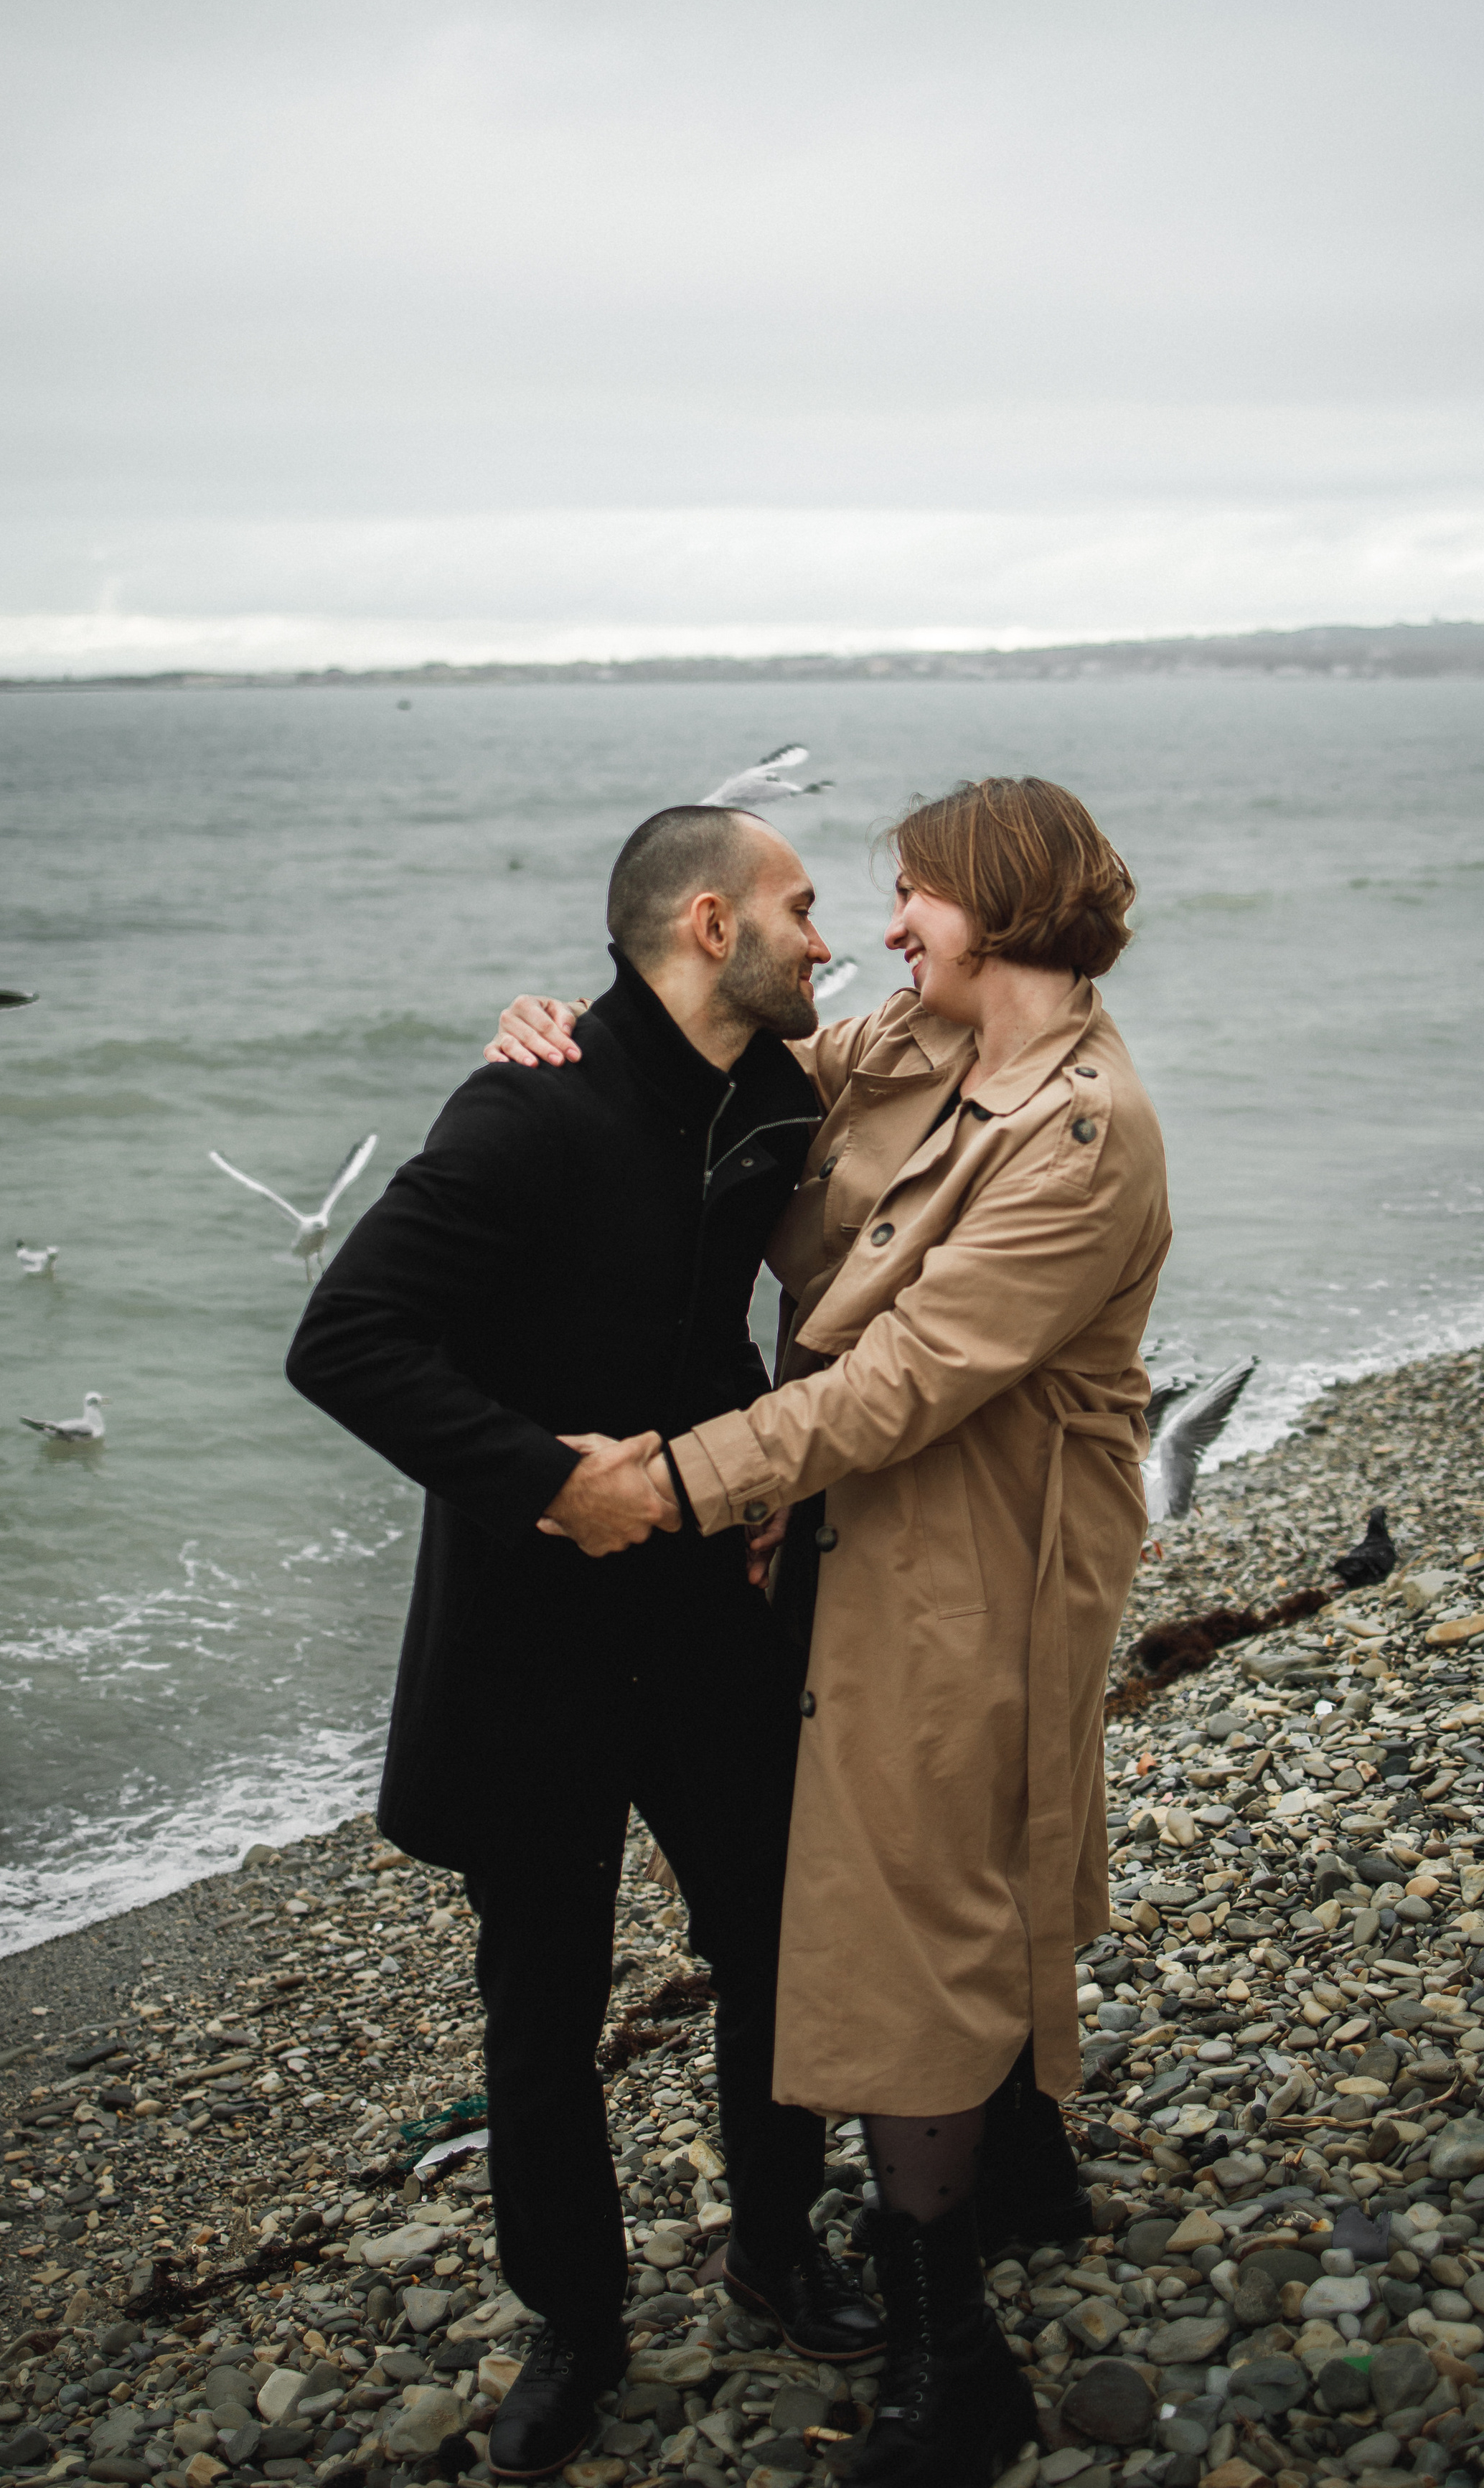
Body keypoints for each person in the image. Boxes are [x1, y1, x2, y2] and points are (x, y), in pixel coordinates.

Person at [491, 777, 1172, 2488]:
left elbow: (905, 1382)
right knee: (945, 1853)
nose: (882, 930)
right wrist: (561, 1036)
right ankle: (1016, 2167)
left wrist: (662, 1481)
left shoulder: (1080, 1134)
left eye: (914, 899)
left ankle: (956, 2364)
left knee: (909, 1893)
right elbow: (725, 1072)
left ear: (1001, 913)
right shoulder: (916, 1048)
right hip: (863, 1522)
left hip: (977, 1540)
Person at [284, 806, 882, 2484]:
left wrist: (764, 1447)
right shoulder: (525, 1109)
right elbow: (344, 1341)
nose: (822, 936)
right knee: (540, 2006)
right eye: (800, 906)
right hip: (531, 1632)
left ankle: (777, 2243)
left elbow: (720, 1306)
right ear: (709, 924)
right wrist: (550, 1485)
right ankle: (578, 2319)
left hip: (707, 1612)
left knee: (771, 1942)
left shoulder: (774, 1092)